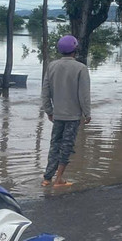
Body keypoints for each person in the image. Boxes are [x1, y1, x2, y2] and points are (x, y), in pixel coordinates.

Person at [41, 35, 91, 188]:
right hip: (73, 116)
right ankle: (59, 179)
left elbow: (45, 92)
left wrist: (49, 111)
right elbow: (84, 95)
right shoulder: (81, 68)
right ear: (75, 50)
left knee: (54, 145)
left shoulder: (51, 66)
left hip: (57, 115)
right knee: (67, 146)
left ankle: (47, 178)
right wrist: (87, 113)